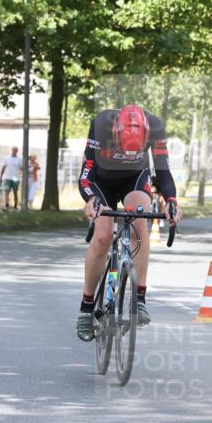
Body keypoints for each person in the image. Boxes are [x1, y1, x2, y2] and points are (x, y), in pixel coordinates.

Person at [76, 104, 182, 341]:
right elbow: (86, 174)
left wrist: (172, 201)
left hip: (134, 178)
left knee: (139, 224)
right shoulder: (102, 124)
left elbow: (163, 173)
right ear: (116, 132)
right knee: (103, 236)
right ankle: (86, 306)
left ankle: (140, 299)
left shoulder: (154, 126)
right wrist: (91, 200)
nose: (130, 154)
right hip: (100, 181)